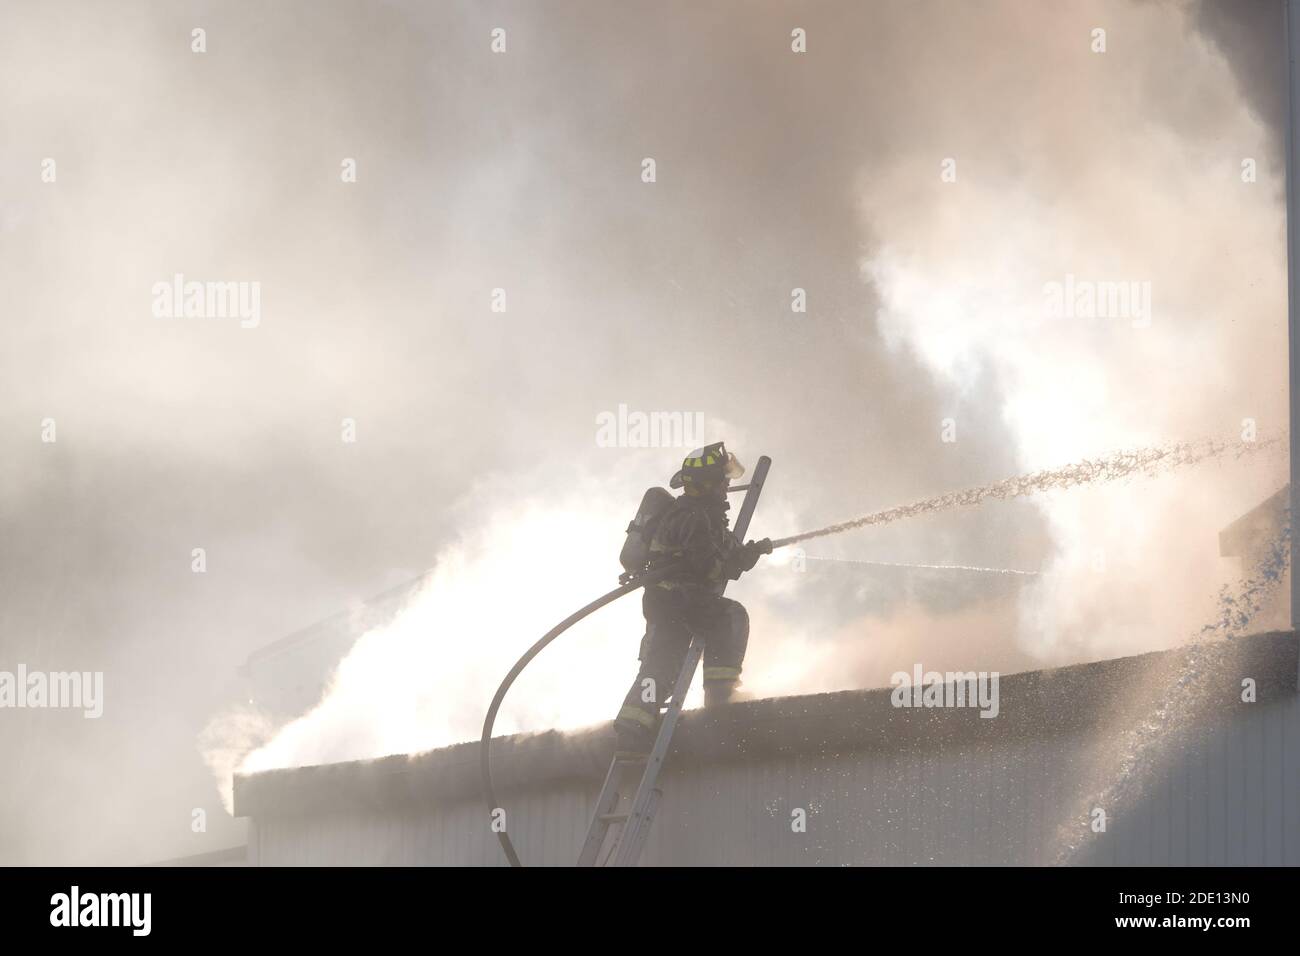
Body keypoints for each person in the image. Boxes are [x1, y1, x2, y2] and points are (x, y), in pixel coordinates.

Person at [613, 441, 770, 750]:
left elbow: (721, 557)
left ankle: (632, 731)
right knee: (730, 616)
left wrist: (747, 554)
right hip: (681, 600)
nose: (727, 486)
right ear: (709, 483)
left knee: (662, 664)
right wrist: (741, 558)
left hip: (666, 601)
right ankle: (720, 694)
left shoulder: (698, 514)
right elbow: (710, 568)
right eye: (723, 479)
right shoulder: (694, 517)